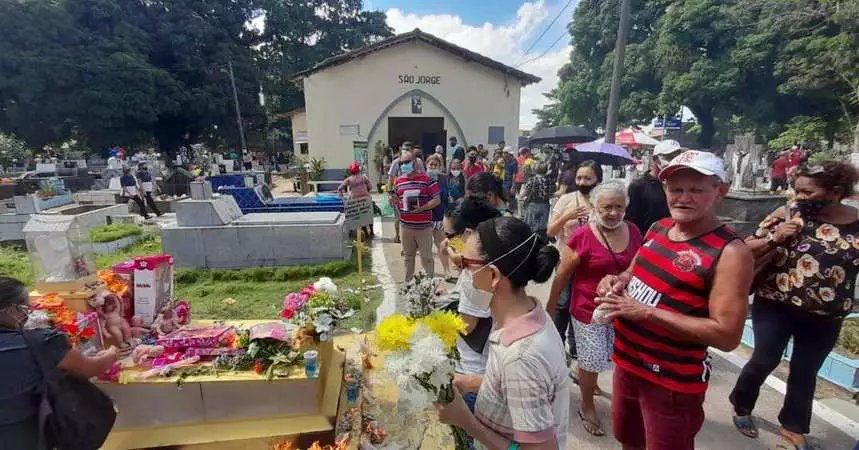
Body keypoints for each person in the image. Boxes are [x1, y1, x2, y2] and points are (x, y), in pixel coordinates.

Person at [596, 150, 753, 450]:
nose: (683, 198)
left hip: (670, 384)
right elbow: (633, 272)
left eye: (696, 190)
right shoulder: (660, 227)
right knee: (628, 440)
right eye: (676, 189)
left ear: (721, 191)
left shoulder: (730, 252)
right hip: (628, 365)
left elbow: (726, 334)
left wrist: (648, 313)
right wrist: (616, 281)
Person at [729, 161, 858, 450]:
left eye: (807, 192)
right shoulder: (788, 213)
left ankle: (793, 427)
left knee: (805, 371)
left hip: (827, 314)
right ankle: (741, 403)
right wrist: (776, 237)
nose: (799, 197)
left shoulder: (856, 222)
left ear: (835, 191)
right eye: (796, 190)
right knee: (765, 359)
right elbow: (742, 248)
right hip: (776, 305)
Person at [436, 216, 569, 450]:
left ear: (494, 276)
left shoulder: (520, 356)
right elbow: (519, 388)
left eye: (466, 264)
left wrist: (466, 421)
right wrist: (470, 382)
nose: (462, 273)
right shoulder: (530, 313)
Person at [546, 181, 643, 437]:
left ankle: (595, 387)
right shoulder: (581, 236)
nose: (613, 212)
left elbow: (638, 267)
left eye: (619, 207)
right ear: (595, 207)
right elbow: (562, 276)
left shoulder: (633, 231)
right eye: (607, 207)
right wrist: (551, 307)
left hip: (622, 308)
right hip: (588, 310)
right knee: (590, 360)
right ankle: (587, 405)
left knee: (613, 356)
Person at [0, 277, 120, 448]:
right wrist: (112, 353)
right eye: (25, 309)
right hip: (23, 436)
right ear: (11, 311)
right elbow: (89, 368)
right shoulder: (40, 343)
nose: (28, 315)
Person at [547, 160, 603, 355]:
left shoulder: (603, 202)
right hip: (566, 261)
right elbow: (550, 231)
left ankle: (577, 348)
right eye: (579, 177)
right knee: (562, 305)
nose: (582, 181)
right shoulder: (566, 200)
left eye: (588, 178)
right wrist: (567, 216)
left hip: (592, 266)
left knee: (582, 307)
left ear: (598, 180)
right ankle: (556, 348)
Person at [390, 149, 440, 282]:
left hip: (423, 227)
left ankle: (429, 285)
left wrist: (422, 208)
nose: (403, 165)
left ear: (415, 162)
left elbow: (437, 200)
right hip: (406, 226)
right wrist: (393, 200)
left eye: (407, 162)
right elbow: (396, 199)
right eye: (401, 163)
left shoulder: (428, 180)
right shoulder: (399, 181)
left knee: (427, 257)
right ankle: (407, 283)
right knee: (408, 256)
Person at [625, 139, 682, 235]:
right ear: (656, 159)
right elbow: (629, 220)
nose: (674, 161)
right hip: (645, 241)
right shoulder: (638, 186)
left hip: (672, 240)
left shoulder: (679, 185)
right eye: (669, 157)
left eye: (677, 157)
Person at [426, 154, 452, 279]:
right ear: (426, 165)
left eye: (435, 165)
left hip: (439, 216)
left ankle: (447, 271)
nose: (433, 167)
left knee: (441, 244)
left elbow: (447, 196)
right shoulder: (423, 178)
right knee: (425, 247)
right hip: (425, 217)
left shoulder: (443, 178)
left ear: (439, 166)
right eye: (430, 165)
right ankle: (428, 273)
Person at [338, 162, 374, 237]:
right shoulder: (364, 177)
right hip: (366, 198)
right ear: (358, 170)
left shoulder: (349, 179)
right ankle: (371, 232)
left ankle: (365, 233)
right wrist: (366, 191)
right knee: (368, 215)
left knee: (360, 217)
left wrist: (341, 194)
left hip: (355, 201)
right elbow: (370, 186)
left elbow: (340, 187)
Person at [519, 162, 553, 238]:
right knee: (542, 228)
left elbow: (523, 195)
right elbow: (551, 193)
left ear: (535, 170)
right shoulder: (549, 180)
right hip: (545, 205)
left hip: (533, 205)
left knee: (530, 228)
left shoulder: (532, 180)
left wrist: (521, 191)